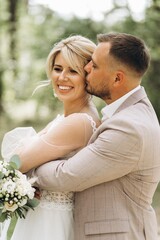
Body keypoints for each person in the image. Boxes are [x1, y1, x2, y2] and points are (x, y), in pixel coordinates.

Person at [31, 33, 160, 240]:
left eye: (95, 65)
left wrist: (30, 169)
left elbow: (65, 176)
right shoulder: (131, 113)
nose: (87, 68)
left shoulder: (129, 127)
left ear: (117, 78)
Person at [0, 35, 100, 240]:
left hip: (50, 224)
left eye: (73, 71)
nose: (62, 77)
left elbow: (17, 163)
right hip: (43, 216)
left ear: (88, 76)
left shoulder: (79, 122)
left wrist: (26, 174)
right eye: (57, 69)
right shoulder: (68, 118)